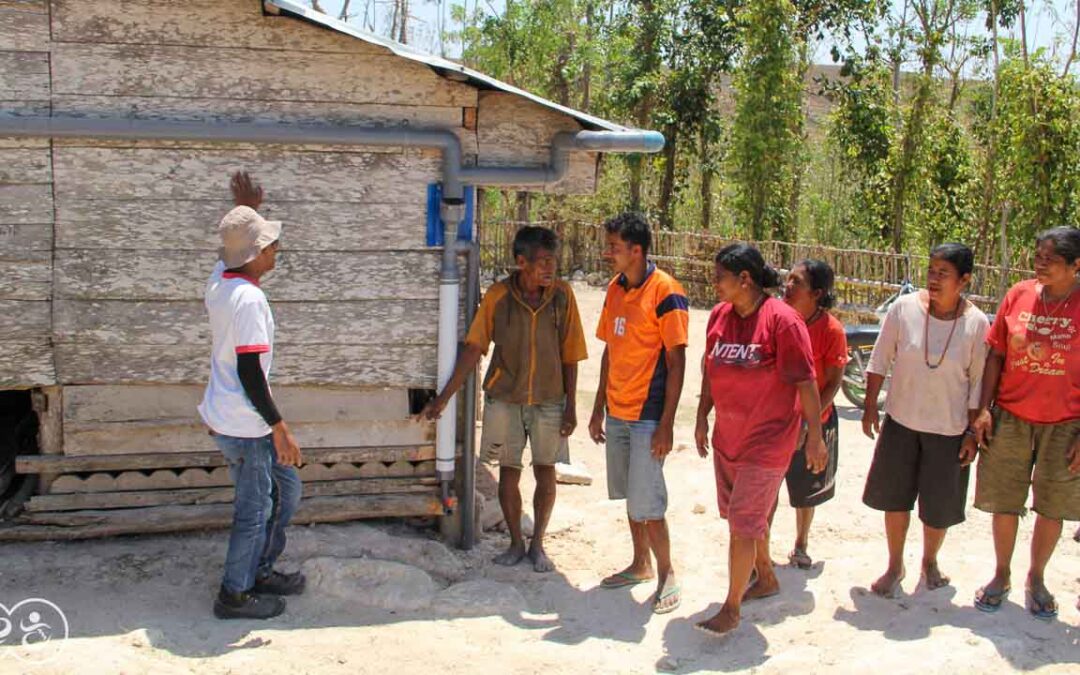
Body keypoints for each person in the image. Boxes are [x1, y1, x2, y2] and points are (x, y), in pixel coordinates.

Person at [420, 226, 587, 573]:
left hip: (549, 400)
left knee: (546, 472)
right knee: (508, 472)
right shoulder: (498, 296)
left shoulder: (562, 296)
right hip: (505, 400)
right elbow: (474, 348)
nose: (549, 268)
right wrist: (445, 397)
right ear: (521, 261)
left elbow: (571, 354)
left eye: (552, 261)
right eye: (542, 262)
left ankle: (538, 543)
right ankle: (515, 542)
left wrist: (570, 406)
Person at [694, 244, 827, 637]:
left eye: (720, 275)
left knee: (743, 524)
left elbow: (806, 382)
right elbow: (710, 369)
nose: (713, 282)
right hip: (729, 436)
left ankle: (731, 608)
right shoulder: (719, 316)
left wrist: (816, 438)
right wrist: (702, 415)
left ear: (745, 279)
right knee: (743, 520)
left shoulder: (783, 322)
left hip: (768, 440)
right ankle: (765, 577)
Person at [198, 172, 305, 620]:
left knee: (288, 489)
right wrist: (279, 428)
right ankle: (235, 594)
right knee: (255, 508)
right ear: (255, 255)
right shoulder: (249, 302)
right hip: (247, 424)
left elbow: (233, 251)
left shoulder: (222, 278)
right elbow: (250, 373)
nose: (276, 250)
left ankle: (260, 567)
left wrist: (247, 210)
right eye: (269, 245)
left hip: (228, 415)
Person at [861, 243, 989, 598]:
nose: (933, 279)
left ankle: (930, 561)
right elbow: (880, 358)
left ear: (964, 280)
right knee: (895, 498)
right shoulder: (904, 310)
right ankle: (894, 564)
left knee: (938, 506)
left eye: (943, 273)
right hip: (901, 422)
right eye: (931, 271)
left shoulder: (976, 324)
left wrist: (971, 432)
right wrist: (871, 405)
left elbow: (979, 383)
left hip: (948, 431)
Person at [971, 227, 1080, 619]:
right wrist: (984, 409)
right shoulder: (1018, 295)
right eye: (1038, 255)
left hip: (1066, 423)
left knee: (1052, 506)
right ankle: (1002, 574)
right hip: (1012, 417)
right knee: (1005, 499)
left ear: (1076, 265)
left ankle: (1037, 577)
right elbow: (996, 355)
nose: (1041, 263)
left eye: (1051, 258)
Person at [589, 212, 688, 615]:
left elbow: (677, 362)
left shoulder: (666, 292)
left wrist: (666, 424)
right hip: (618, 411)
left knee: (649, 501)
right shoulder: (615, 288)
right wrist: (598, 408)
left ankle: (667, 573)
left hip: (648, 415)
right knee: (631, 495)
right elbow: (610, 351)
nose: (607, 252)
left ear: (636, 250)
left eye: (614, 246)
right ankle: (640, 564)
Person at [776, 259, 848, 569]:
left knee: (806, 489)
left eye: (797, 282)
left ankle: (801, 544)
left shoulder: (831, 330)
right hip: (777, 417)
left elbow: (833, 382)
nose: (788, 286)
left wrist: (810, 422)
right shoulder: (777, 320)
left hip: (813, 420)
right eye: (788, 279)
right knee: (766, 484)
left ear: (817, 293)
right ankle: (758, 547)